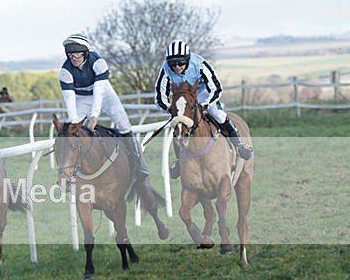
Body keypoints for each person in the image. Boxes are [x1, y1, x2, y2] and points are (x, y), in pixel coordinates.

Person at [154, 40, 253, 178]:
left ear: (187, 60)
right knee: (179, 125)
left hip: (203, 94)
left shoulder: (199, 64)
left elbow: (216, 88)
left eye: (180, 63)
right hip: (183, 100)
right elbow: (159, 96)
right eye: (173, 64)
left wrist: (206, 104)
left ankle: (239, 145)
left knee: (218, 114)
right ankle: (179, 160)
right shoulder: (165, 68)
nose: (176, 67)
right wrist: (172, 110)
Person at [59, 32, 150, 182]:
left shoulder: (98, 62)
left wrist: (94, 116)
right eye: (71, 56)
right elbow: (69, 100)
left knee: (123, 123)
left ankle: (137, 163)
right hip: (81, 97)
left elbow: (99, 91)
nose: (74, 59)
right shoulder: (65, 70)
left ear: (86, 53)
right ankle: (75, 169)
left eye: (77, 55)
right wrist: (73, 122)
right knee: (71, 130)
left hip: (104, 93)